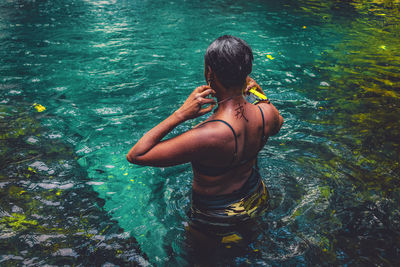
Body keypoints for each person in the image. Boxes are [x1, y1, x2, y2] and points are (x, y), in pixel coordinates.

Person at [127, 35, 283, 251]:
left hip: (216, 216)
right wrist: (259, 93)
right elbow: (277, 122)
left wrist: (180, 114)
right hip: (256, 197)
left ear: (210, 73)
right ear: (247, 73)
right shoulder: (267, 113)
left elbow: (136, 155)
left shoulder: (207, 135)